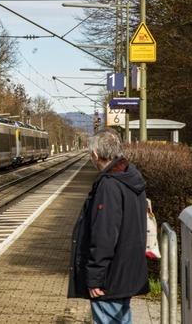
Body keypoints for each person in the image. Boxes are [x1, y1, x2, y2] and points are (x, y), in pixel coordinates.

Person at [68, 129, 149, 324]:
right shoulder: (130, 175)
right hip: (126, 270)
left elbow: (104, 234)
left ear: (95, 155)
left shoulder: (109, 185)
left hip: (110, 278)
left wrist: (95, 277)